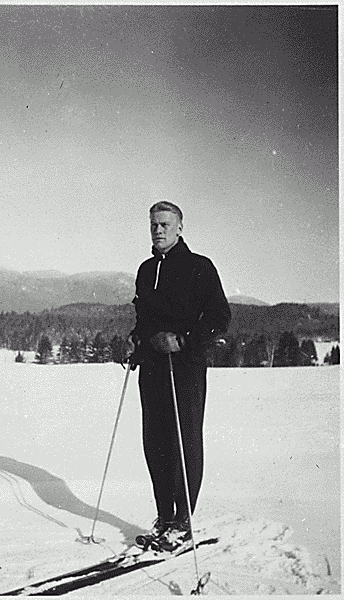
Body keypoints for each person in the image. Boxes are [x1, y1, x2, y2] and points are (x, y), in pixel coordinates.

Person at [127, 201, 231, 551]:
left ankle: (184, 522)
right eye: (154, 224)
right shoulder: (145, 270)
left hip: (185, 367)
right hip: (153, 367)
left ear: (180, 228)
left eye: (165, 224)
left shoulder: (200, 267)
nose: (159, 230)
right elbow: (144, 317)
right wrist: (136, 339)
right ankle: (165, 519)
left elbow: (219, 315)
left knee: (183, 441)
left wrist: (184, 340)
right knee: (154, 442)